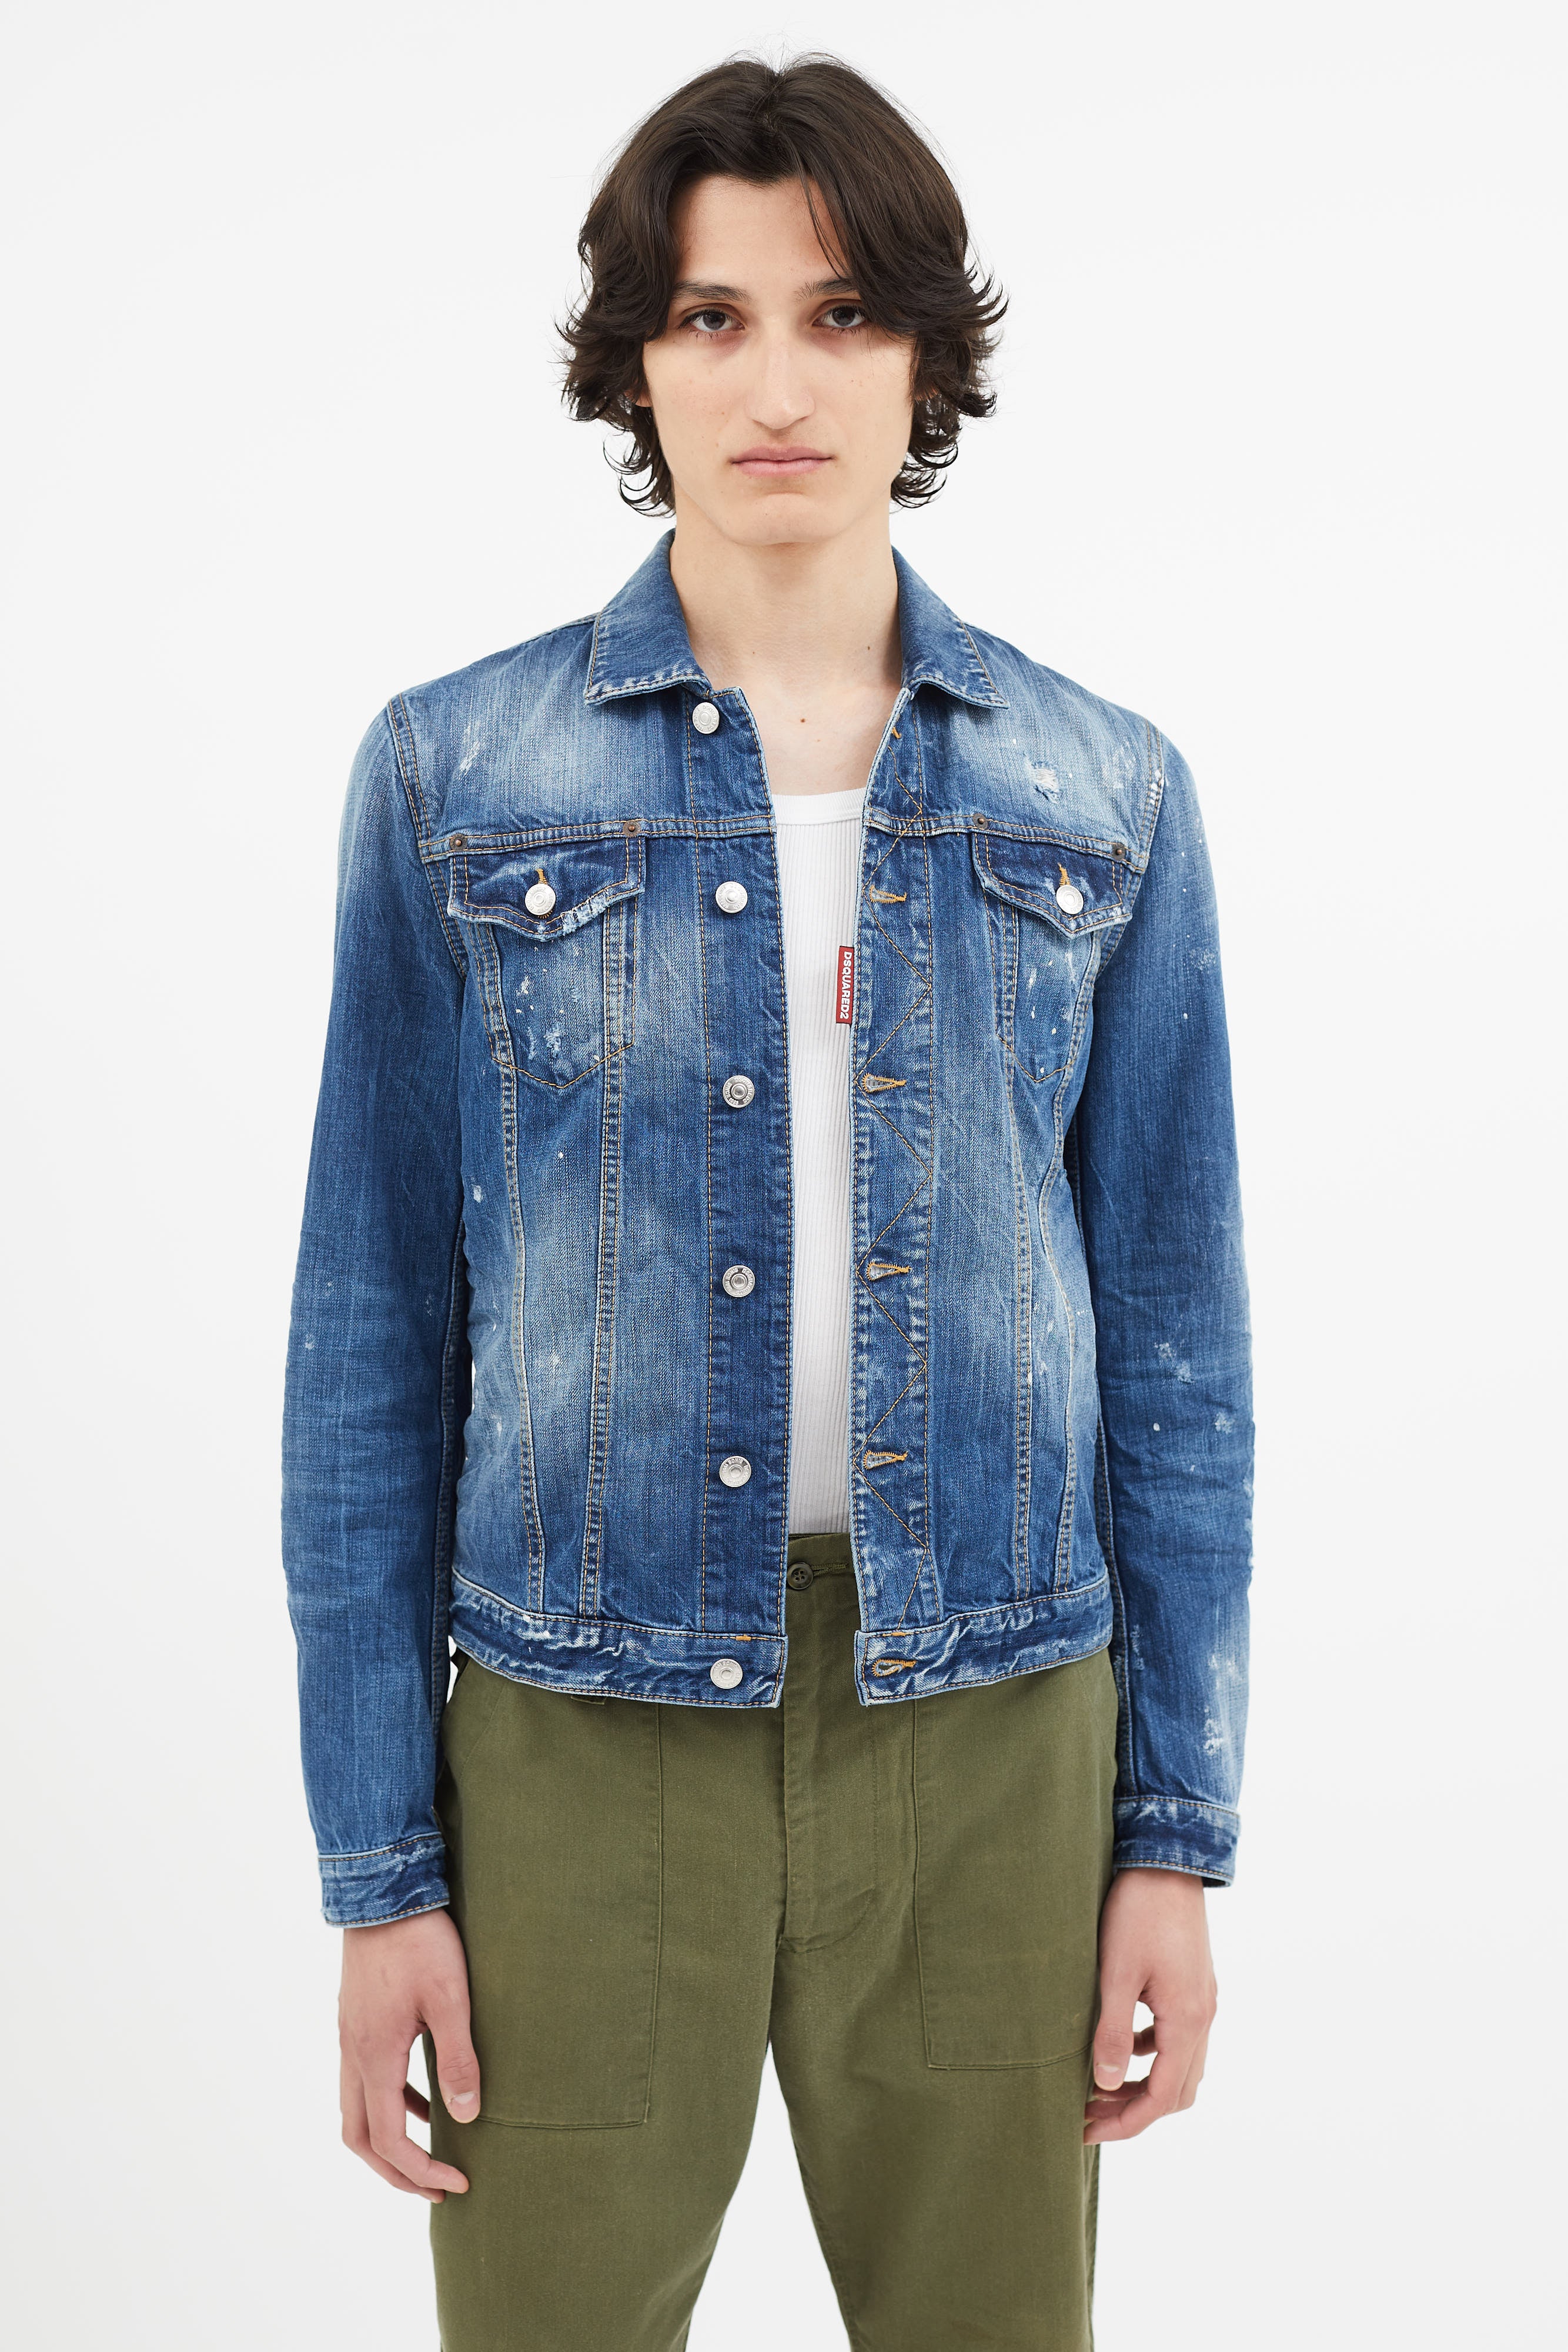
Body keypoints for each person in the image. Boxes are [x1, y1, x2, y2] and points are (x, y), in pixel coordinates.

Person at [282, 52, 1253, 2352]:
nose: (778, 384)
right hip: (575, 1733)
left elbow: (1176, 1345)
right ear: (638, 362)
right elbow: (369, 1341)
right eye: (712, 318)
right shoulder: (455, 773)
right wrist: (381, 1871)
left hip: (995, 1728)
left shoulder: (1101, 791)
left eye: (839, 315)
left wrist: (1169, 1837)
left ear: (924, 357)